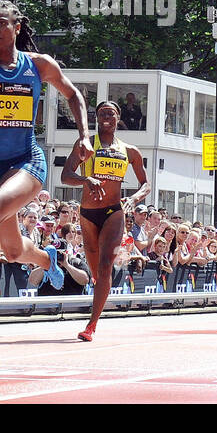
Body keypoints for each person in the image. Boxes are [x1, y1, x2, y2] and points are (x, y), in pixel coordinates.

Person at [0, 1, 93, 349]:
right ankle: (47, 257)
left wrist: (83, 134)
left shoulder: (38, 66)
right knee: (10, 250)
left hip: (26, 161)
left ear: (17, 28)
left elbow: (74, 95)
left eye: (1, 24)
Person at [60, 99, 151, 342]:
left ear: (118, 118)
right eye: (102, 113)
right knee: (96, 273)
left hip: (114, 212)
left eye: (111, 113)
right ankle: (101, 292)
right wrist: (86, 180)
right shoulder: (85, 146)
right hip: (88, 214)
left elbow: (146, 184)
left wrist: (134, 198)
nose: (106, 117)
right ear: (96, 118)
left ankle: (91, 325)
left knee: (105, 265)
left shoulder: (130, 151)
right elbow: (66, 175)